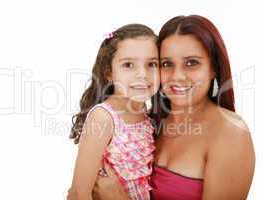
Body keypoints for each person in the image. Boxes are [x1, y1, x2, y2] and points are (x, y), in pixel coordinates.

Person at [91, 15, 255, 200]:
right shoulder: (148, 123)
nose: (177, 76)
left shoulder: (231, 132)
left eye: (192, 63)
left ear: (213, 68)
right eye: (166, 64)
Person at [68, 24, 160, 200]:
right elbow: (79, 193)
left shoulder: (146, 114)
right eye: (128, 65)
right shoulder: (104, 117)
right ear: (109, 73)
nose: (142, 74)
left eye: (151, 64)